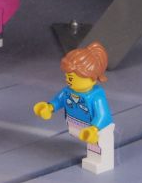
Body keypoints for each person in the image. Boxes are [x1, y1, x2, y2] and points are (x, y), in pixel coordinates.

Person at [33, 42, 114, 174]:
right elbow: (60, 100)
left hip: (98, 128)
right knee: (92, 145)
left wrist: (94, 128)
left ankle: (101, 162)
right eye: (67, 76)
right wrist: (49, 107)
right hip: (80, 124)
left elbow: (103, 115)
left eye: (71, 77)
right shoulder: (68, 91)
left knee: (98, 146)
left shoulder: (96, 96)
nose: (67, 79)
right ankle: (94, 157)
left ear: (91, 77)